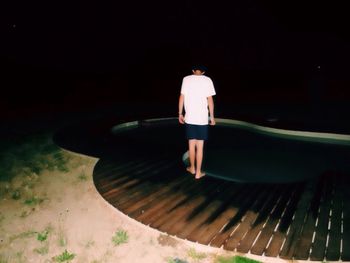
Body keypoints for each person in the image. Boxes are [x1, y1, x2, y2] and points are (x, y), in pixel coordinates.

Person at [178, 65, 216, 179]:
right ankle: (198, 173)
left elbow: (181, 97)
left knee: (191, 145)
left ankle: (192, 168)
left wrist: (180, 113)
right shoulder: (207, 80)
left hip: (190, 118)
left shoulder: (186, 79)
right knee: (200, 147)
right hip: (202, 119)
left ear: (193, 70)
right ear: (203, 72)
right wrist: (212, 117)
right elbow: (210, 100)